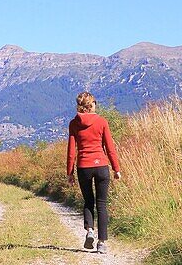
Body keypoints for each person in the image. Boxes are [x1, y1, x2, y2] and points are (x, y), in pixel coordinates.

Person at [66, 91, 122, 254]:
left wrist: (70, 173)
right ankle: (102, 243)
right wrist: (116, 168)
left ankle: (90, 230)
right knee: (102, 204)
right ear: (91, 105)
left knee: (88, 200)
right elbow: (110, 148)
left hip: (83, 167)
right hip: (101, 166)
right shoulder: (102, 122)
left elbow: (71, 151)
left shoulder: (73, 124)